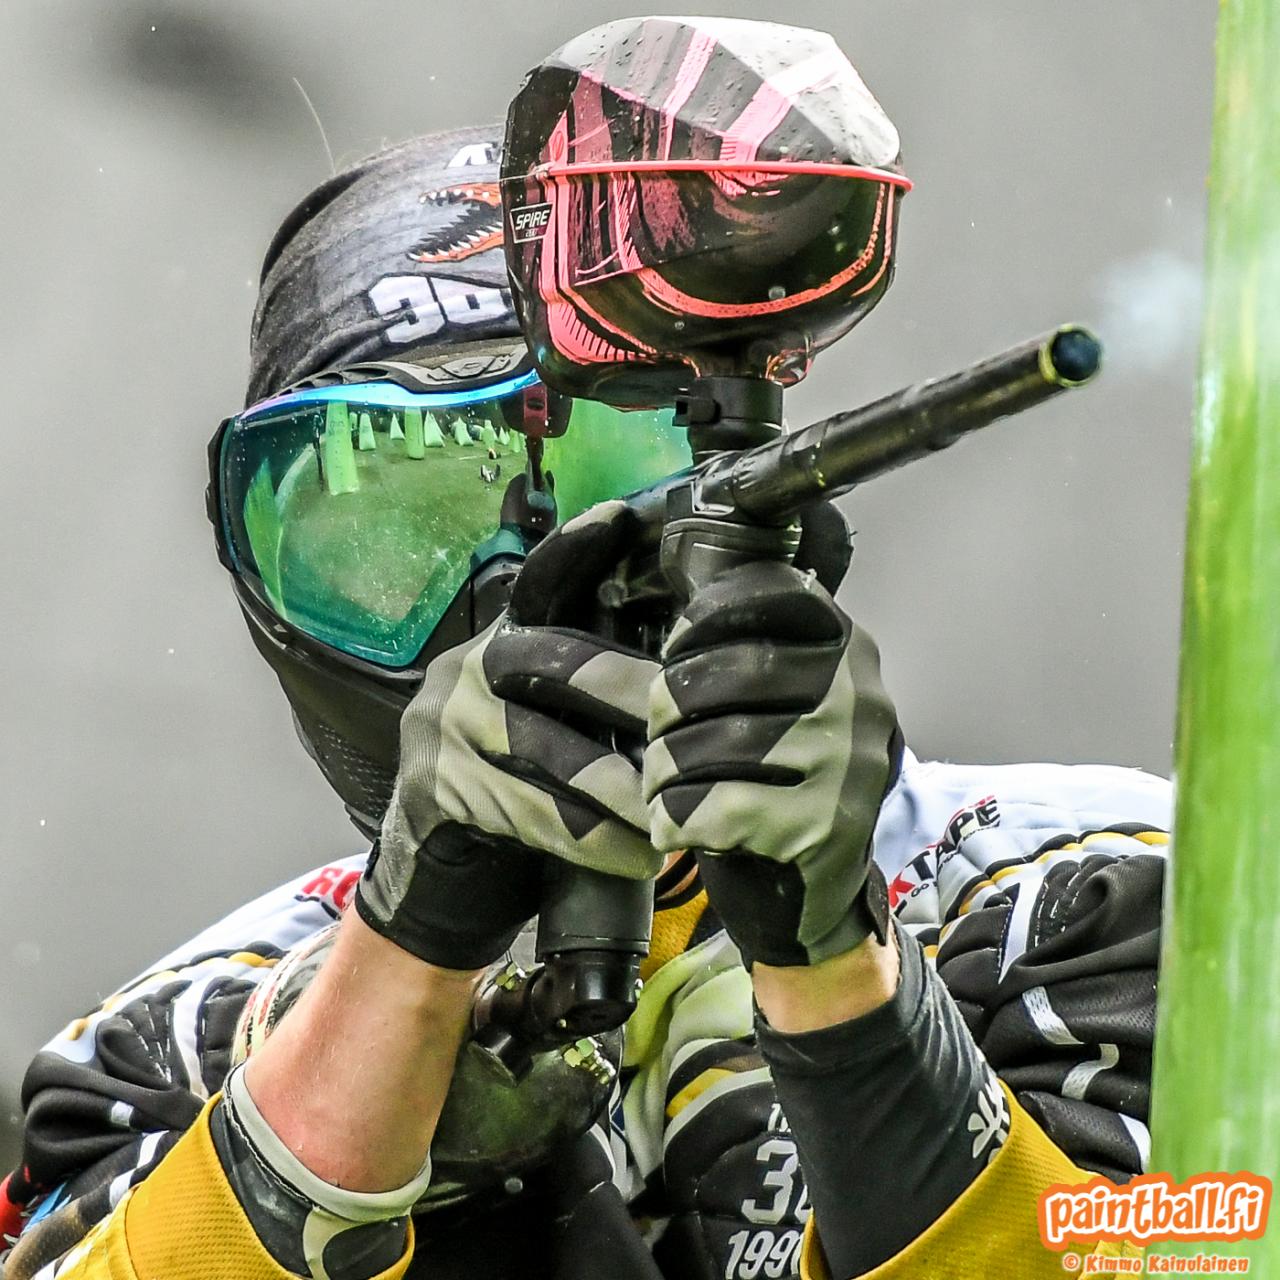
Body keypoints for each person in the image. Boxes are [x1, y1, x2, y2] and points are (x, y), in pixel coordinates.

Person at [0, 108, 1170, 1280]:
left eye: (603, 485)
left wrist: (847, 997)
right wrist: (383, 1031)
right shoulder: (172, 1050)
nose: (509, 608)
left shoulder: (1102, 890)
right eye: (390, 533)